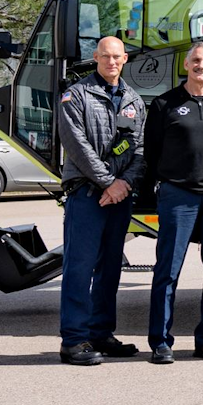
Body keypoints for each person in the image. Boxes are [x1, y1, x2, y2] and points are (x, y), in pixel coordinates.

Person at [143, 40, 203, 364]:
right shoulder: (163, 104)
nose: (201, 66)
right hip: (177, 195)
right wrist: (167, 182)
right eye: (196, 60)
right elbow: (152, 151)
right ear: (186, 65)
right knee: (168, 270)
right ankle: (160, 342)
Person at [55, 35, 144, 366]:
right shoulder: (76, 95)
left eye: (117, 57)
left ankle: (101, 333)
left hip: (120, 195)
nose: (111, 61)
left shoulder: (134, 100)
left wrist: (124, 183)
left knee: (110, 268)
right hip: (87, 194)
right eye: (105, 56)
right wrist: (109, 182)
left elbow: (140, 148)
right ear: (95, 58)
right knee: (79, 267)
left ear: (125, 59)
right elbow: (76, 144)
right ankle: (74, 340)